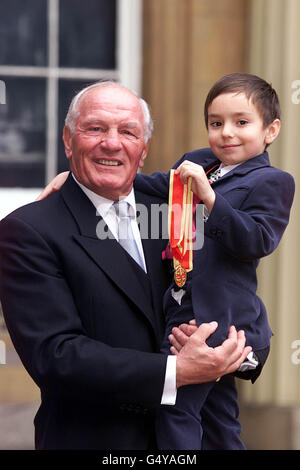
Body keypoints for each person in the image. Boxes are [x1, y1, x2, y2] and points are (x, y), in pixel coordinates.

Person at [0, 81, 250, 450]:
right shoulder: (27, 231)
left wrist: (236, 352)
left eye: (128, 132)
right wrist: (175, 372)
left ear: (144, 150)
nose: (112, 143)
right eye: (95, 128)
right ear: (68, 140)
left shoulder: (174, 207)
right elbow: (56, 357)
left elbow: (233, 282)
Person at [132, 73, 295, 449]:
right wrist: (85, 181)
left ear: (270, 130)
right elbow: (153, 185)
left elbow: (256, 240)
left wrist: (211, 199)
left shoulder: (273, 181)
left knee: (174, 405)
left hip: (218, 316)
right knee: (219, 418)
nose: (226, 133)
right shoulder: (198, 162)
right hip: (179, 304)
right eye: (216, 123)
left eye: (241, 122)